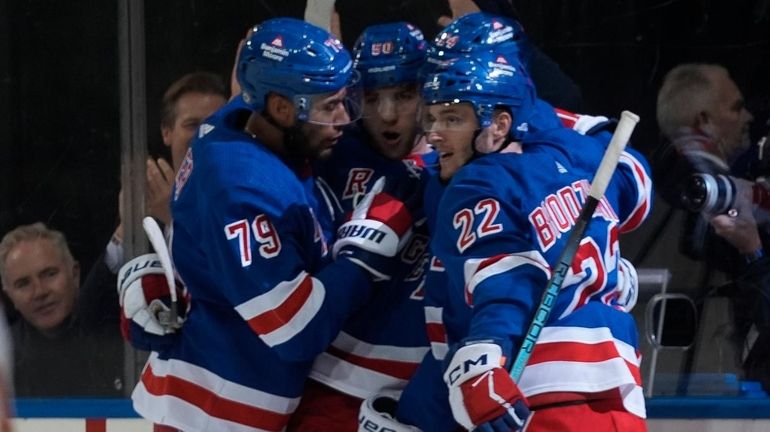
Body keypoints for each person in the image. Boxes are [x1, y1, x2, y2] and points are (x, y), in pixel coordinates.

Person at [125, 18, 417, 432]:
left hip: (236, 395)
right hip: (218, 410)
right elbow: (294, 330)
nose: (343, 119)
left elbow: (202, 243)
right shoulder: (244, 188)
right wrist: (360, 259)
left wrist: (155, 269)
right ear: (281, 108)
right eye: (328, 106)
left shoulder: (240, 121)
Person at [393, 49, 651, 431]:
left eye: (452, 119)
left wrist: (484, 354)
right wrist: (613, 268)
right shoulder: (574, 156)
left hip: (540, 395)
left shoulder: (477, 182)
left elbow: (507, 281)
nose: (433, 134)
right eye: (431, 117)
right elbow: (638, 188)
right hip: (621, 393)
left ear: (498, 125)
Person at [288, 21, 434, 431]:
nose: (387, 114)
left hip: (426, 392)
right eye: (372, 97)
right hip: (333, 383)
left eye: (404, 95)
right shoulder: (328, 155)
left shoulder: (463, 158)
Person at [651, 63, 770, 390]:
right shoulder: (684, 206)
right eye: (736, 107)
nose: (749, 118)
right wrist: (753, 250)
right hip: (695, 394)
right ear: (704, 121)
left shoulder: (645, 194)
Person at [0, 222, 123, 397]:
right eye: (23, 284)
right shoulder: (4, 361)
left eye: (49, 274)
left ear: (75, 275)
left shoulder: (123, 339)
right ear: (9, 295)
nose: (40, 292)